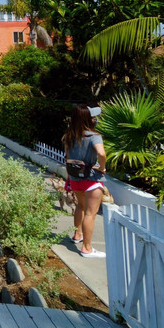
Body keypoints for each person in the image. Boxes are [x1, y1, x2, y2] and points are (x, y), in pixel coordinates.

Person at [63, 104, 107, 258]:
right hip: (91, 179)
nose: (95, 119)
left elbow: (67, 157)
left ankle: (77, 235)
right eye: (92, 116)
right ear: (88, 119)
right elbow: (101, 153)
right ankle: (87, 249)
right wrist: (102, 167)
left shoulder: (68, 136)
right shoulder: (94, 136)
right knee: (90, 214)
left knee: (80, 207)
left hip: (75, 178)